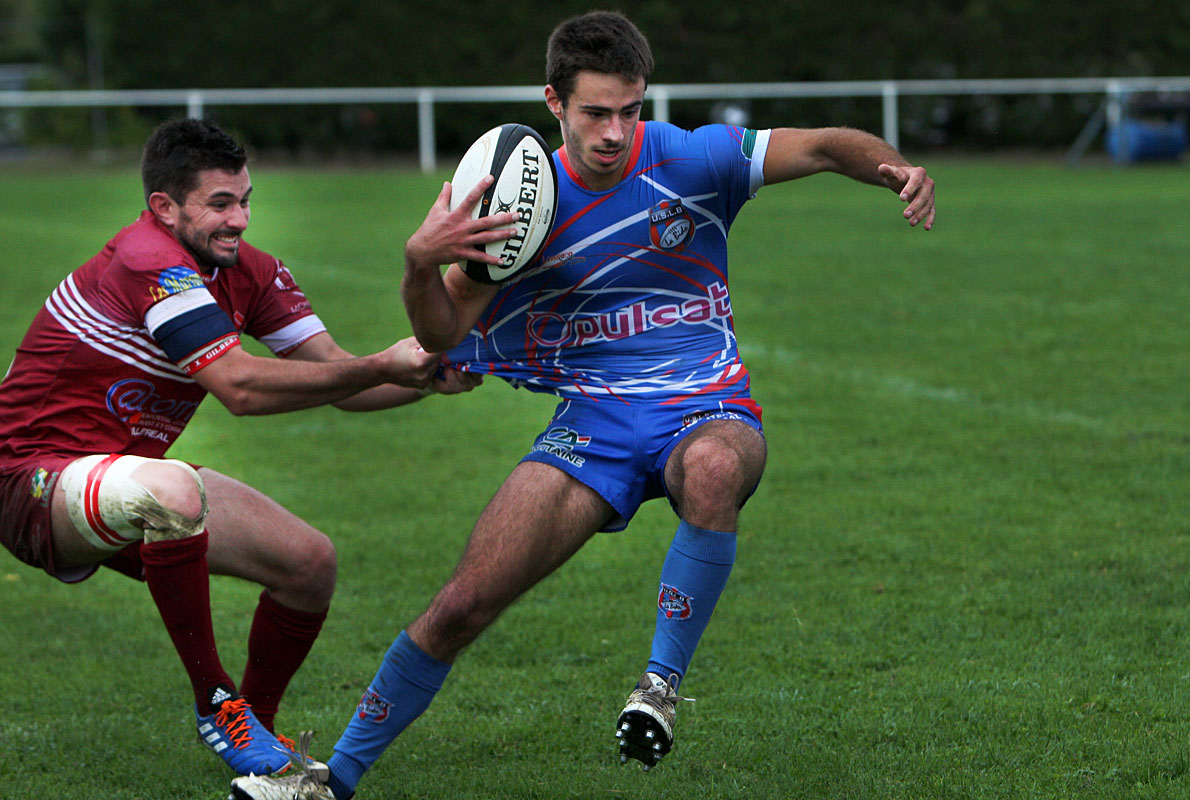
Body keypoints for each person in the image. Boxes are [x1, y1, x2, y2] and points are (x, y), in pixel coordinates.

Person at [231, 9, 935, 799]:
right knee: (462, 604)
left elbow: (825, 143)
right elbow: (437, 333)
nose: (614, 131)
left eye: (629, 110)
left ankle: (659, 688)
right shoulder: (513, 207)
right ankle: (333, 779)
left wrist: (894, 169)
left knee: (709, 470)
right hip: (591, 429)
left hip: (706, 404)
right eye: (595, 112)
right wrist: (418, 265)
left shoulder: (693, 160)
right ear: (554, 103)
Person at [0, 118, 482, 779]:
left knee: (310, 563)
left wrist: (427, 378)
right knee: (172, 489)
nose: (241, 220)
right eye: (220, 204)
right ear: (164, 208)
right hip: (30, 481)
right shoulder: (147, 260)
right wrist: (379, 366)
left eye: (246, 199)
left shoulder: (250, 274)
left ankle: (255, 732)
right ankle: (216, 702)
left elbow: (341, 381)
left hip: (122, 480)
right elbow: (240, 388)